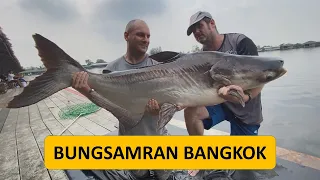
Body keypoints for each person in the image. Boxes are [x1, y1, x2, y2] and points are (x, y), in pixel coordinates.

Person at [71, 19, 171, 179]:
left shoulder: (158, 67)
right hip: (131, 140)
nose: (146, 40)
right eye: (140, 35)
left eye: (148, 36)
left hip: (159, 137)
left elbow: (170, 100)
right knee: (140, 176)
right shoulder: (111, 69)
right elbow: (110, 106)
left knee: (164, 176)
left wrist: (159, 110)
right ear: (126, 36)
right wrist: (87, 91)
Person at [184, 11, 264, 176]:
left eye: (199, 26)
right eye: (193, 30)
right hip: (220, 103)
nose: (196, 32)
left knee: (243, 169)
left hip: (246, 109)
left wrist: (246, 97)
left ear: (212, 23)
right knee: (191, 111)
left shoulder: (240, 42)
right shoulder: (201, 56)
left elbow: (260, 76)